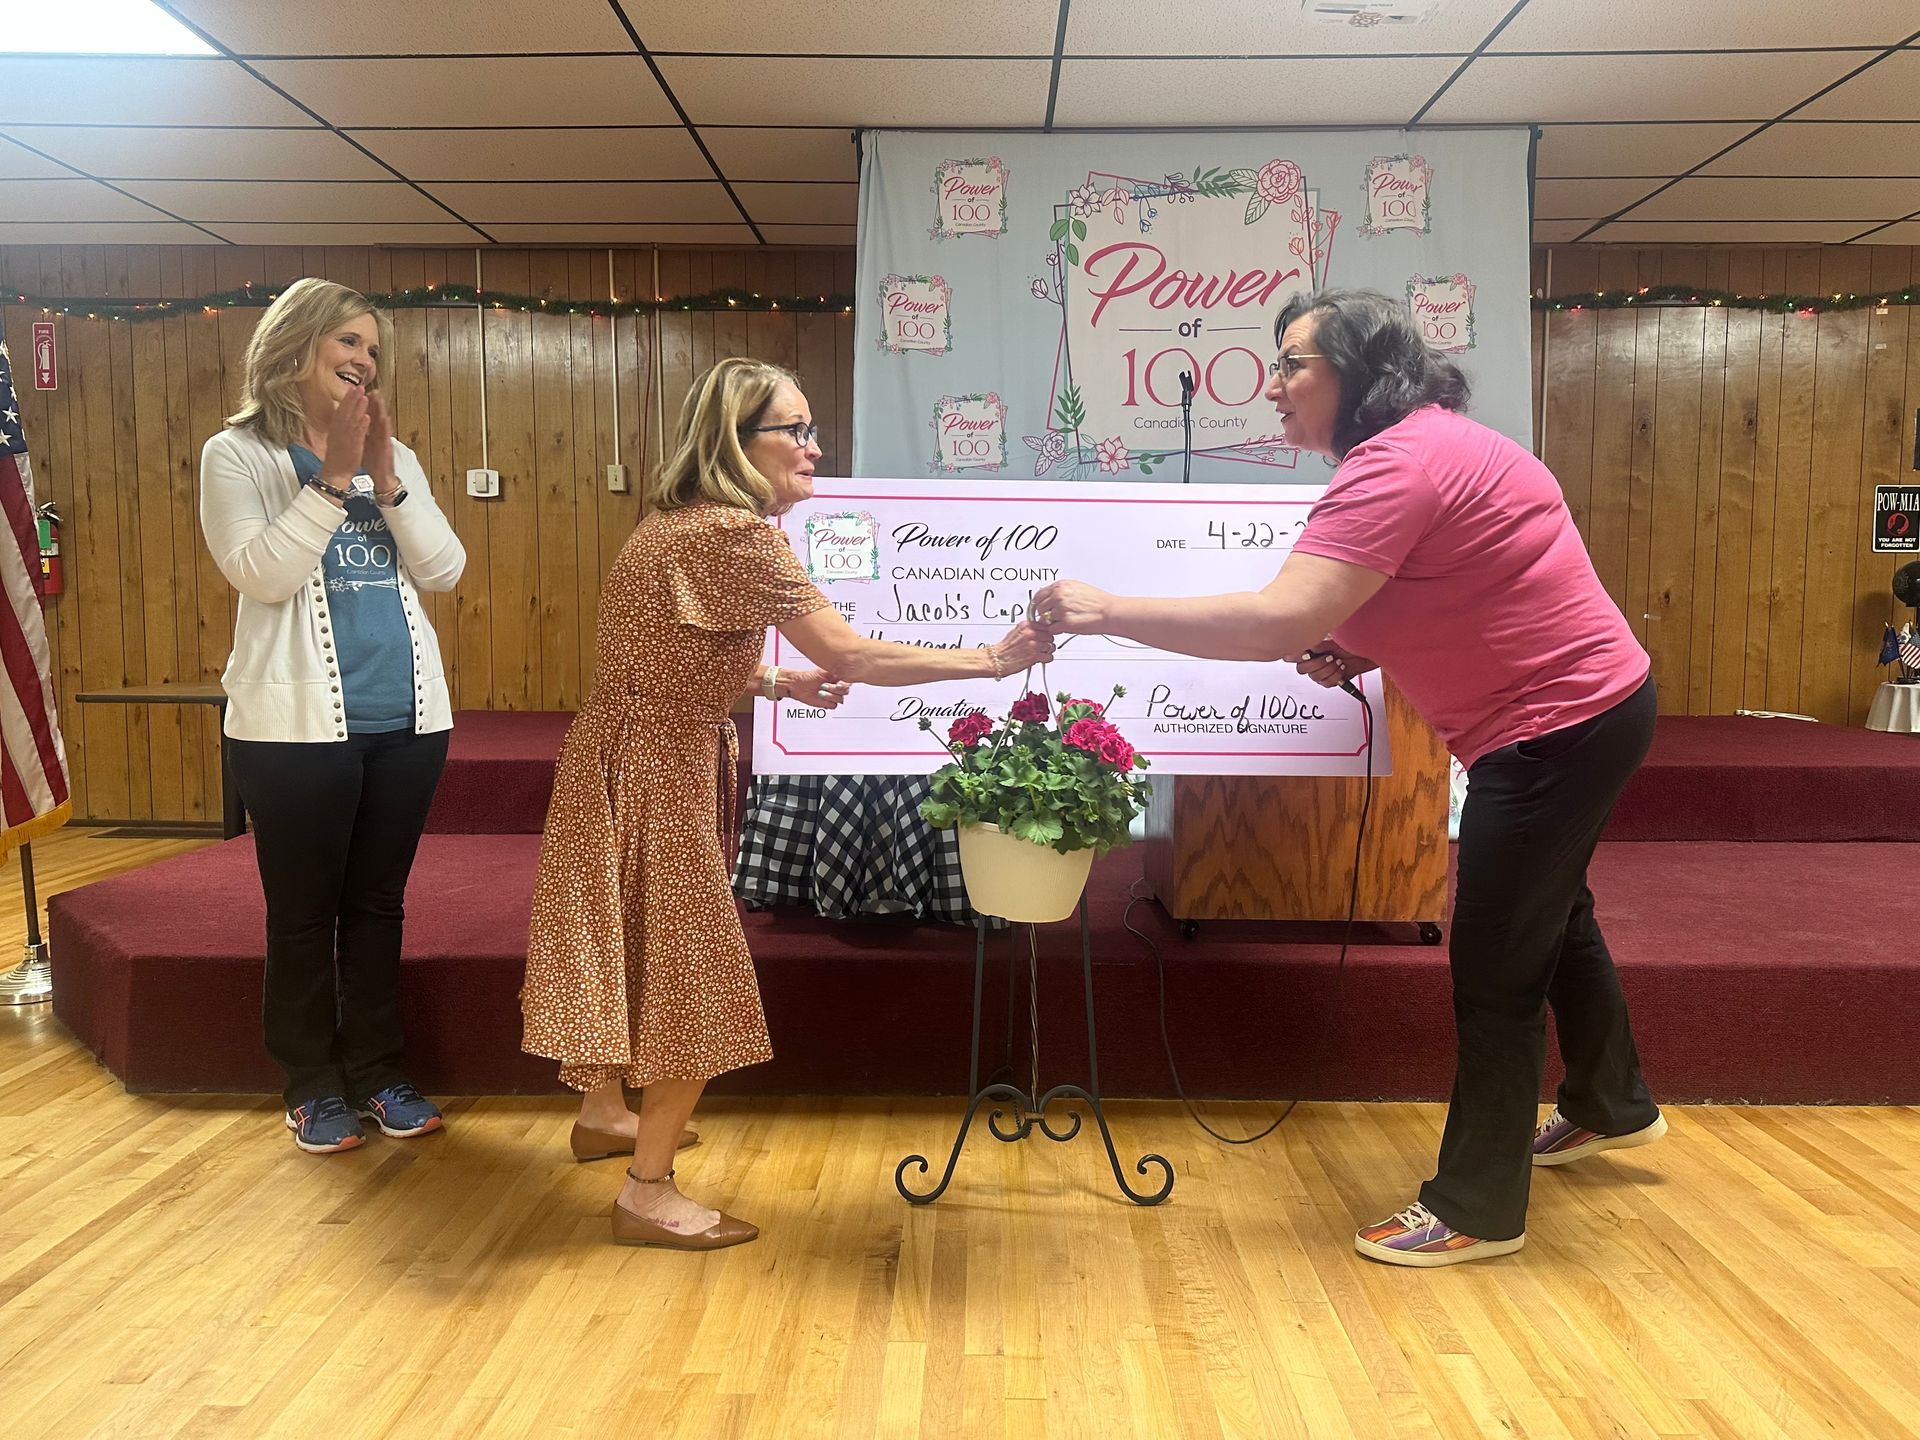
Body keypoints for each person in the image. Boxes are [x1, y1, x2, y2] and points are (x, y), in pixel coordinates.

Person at [1032, 288, 1662, 1269]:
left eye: (1294, 364)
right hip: (1596, 707)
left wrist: (1109, 608)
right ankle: (1610, 1102)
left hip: (1552, 730)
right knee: (1555, 909)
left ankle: (1478, 1208)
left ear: (1361, 375)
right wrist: (1361, 645)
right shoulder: (1442, 442)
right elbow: (1460, 572)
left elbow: (1277, 620)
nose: (1272, 386)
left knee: (1496, 965)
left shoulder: (1396, 466)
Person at [521, 358, 1053, 1251]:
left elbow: (663, 654)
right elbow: (857, 655)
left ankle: (604, 1111)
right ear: (738, 441)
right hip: (657, 773)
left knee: (630, 939)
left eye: (811, 428)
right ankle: (646, 1191)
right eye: (794, 431)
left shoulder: (678, 523)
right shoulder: (738, 538)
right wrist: (992, 662)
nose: (814, 447)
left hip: (620, 758)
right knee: (690, 969)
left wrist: (770, 679)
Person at [201, 278, 467, 1154]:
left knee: (378, 906)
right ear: (297, 346)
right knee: (304, 913)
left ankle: (379, 1072)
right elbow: (264, 574)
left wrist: (387, 479)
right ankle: (312, 1083)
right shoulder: (236, 455)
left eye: (373, 349)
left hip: (408, 718)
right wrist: (337, 476)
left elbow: (443, 570)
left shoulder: (398, 456)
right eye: (346, 343)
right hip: (291, 732)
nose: (363, 361)